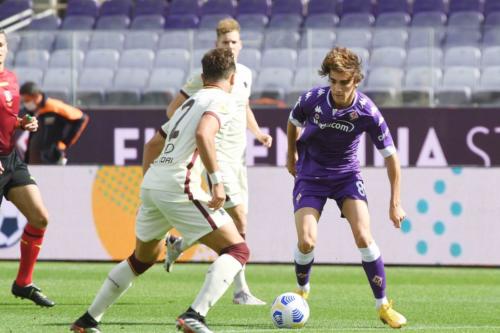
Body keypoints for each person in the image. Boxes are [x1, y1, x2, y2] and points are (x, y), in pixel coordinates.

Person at [71, 48, 250, 333]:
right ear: (233, 77)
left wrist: (150, 187)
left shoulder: (189, 103)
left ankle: (88, 320)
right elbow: (205, 133)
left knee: (140, 260)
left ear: (203, 77)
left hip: (155, 181)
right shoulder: (222, 99)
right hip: (180, 183)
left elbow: (152, 146)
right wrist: (216, 180)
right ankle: (195, 315)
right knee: (237, 249)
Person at [286, 47, 407, 329]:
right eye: (334, 81)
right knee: (307, 241)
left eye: (345, 83)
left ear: (356, 80)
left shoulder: (367, 112)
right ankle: (302, 289)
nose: (338, 89)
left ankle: (383, 306)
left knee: (364, 236)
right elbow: (292, 122)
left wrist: (395, 203)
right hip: (311, 175)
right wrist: (290, 154)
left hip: (346, 176)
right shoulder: (313, 100)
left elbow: (391, 157)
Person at [163, 18, 272, 306]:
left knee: (231, 223)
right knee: (239, 221)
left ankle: (179, 243)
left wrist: (258, 133)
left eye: (234, 42)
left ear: (241, 44)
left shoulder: (245, 74)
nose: (231, 47)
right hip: (218, 156)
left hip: (239, 157)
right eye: (225, 43)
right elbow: (173, 109)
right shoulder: (205, 77)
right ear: (217, 45)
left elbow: (244, 106)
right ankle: (240, 290)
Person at [0, 30, 54, 307]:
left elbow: (8, 117)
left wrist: (23, 123)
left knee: (40, 217)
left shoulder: (11, 79)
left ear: (7, 48)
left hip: (10, 159)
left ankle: (23, 283)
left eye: (1, 44)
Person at [19, 81, 89, 165]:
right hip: (34, 160)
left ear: (36, 96)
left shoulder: (54, 107)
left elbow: (81, 118)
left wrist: (65, 142)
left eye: (27, 100)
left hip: (52, 159)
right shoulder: (31, 111)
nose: (26, 103)